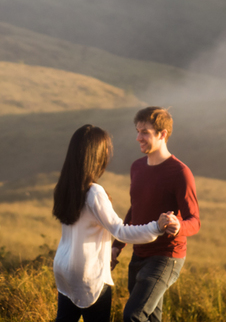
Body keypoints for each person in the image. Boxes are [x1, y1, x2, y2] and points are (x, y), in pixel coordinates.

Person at [52, 124, 180, 322]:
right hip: (88, 273)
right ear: (95, 155)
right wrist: (156, 227)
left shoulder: (65, 187)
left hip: (63, 268)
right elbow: (120, 231)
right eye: (105, 150)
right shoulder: (94, 192)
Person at [111, 106, 200, 322]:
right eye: (137, 131)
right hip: (138, 253)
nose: (138, 138)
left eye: (145, 132)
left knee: (133, 315)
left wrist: (178, 226)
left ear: (162, 134)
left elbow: (195, 221)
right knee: (151, 319)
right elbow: (135, 209)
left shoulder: (180, 172)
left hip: (166, 257)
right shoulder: (137, 167)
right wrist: (117, 246)